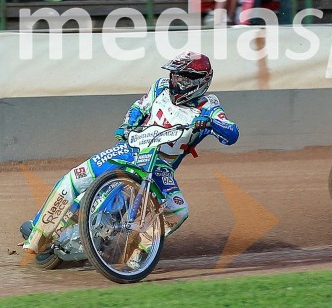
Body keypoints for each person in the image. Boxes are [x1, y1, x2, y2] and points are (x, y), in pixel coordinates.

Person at [21, 52, 239, 256]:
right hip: (131, 149)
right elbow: (138, 107)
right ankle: (38, 230)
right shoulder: (160, 87)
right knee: (77, 176)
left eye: (183, 79)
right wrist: (127, 125)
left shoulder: (209, 106)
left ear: (200, 81)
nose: (176, 82)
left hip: (161, 167)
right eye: (175, 76)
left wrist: (211, 123)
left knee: (178, 210)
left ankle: (141, 251)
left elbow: (232, 133)